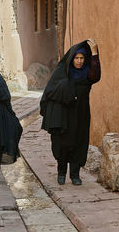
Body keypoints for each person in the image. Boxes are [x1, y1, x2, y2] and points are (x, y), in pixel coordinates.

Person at [40, 39, 101, 186]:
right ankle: (61, 173)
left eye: (82, 58)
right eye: (77, 58)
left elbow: (96, 76)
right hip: (64, 115)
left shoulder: (87, 74)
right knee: (63, 144)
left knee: (79, 142)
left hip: (81, 114)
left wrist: (94, 53)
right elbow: (50, 91)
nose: (79, 61)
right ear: (71, 58)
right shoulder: (63, 73)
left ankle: (75, 174)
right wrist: (67, 93)